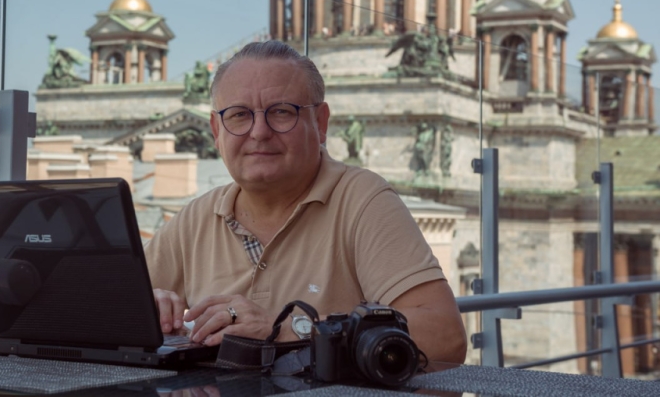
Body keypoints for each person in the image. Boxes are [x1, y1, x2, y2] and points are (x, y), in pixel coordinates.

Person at [145, 41, 467, 365]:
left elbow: (444, 335)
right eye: (240, 115)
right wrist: (148, 309)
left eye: (281, 112)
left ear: (321, 123)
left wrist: (285, 328)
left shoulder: (362, 200)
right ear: (216, 131)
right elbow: (102, 316)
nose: (259, 132)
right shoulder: (197, 218)